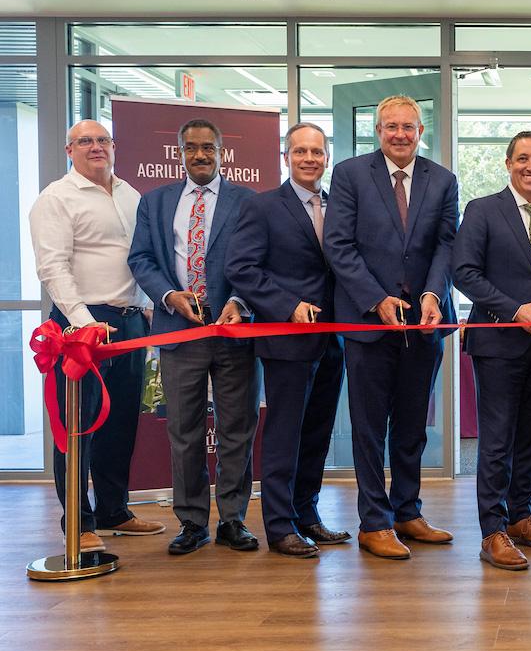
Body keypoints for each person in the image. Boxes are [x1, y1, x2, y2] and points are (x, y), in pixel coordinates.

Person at [323, 95, 458, 560]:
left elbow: (446, 245)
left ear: (421, 131)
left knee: (412, 428)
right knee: (368, 428)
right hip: (367, 323)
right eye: (391, 126)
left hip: (423, 324)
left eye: (409, 126)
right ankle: (373, 522)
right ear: (379, 131)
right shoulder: (350, 174)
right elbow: (338, 246)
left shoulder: (442, 180)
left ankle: (408, 512)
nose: (400, 134)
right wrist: (376, 299)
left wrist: (431, 295)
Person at [127, 117, 260, 556]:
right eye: (191, 148)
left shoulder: (247, 202)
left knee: (236, 429)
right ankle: (191, 522)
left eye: (208, 148)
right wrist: (168, 295)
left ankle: (234, 519)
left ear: (222, 152)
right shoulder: (156, 202)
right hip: (178, 328)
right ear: (179, 152)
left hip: (234, 329)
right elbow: (142, 258)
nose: (200, 155)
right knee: (183, 431)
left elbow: (261, 258)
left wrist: (241, 301)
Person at [29, 119, 164, 552]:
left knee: (121, 421)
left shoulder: (130, 194)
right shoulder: (56, 198)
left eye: (102, 140)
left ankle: (113, 511)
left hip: (127, 322)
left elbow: (139, 259)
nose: (95, 147)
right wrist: (83, 321)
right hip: (81, 325)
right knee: (76, 425)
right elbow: (53, 267)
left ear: (113, 146)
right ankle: (79, 520)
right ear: (69, 150)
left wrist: (145, 306)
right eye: (84, 141)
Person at [452, 131, 531, 571]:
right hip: (497, 344)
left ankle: (521, 515)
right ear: (508, 164)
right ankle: (493, 531)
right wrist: (514, 310)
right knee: (497, 441)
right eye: (522, 159)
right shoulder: (482, 211)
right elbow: (464, 272)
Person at [226, 122, 350, 558]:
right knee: (284, 433)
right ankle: (279, 526)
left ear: (327, 157)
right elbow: (241, 269)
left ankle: (307, 515)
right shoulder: (263, 207)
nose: (310, 159)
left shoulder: (338, 205)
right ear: (286, 157)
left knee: (317, 432)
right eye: (301, 152)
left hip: (333, 337)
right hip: (286, 340)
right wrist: (286, 305)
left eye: (317, 152)